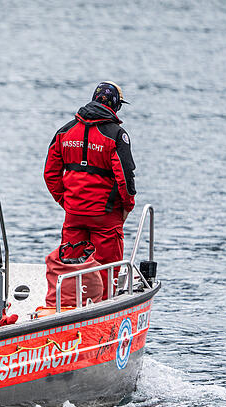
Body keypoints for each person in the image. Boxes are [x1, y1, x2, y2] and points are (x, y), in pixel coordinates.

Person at [44, 81, 136, 298]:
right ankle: (101, 311)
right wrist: (127, 207)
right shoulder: (117, 135)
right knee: (105, 270)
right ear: (115, 106)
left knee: (70, 265)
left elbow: (50, 174)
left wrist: (66, 201)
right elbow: (125, 177)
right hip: (106, 215)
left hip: (74, 213)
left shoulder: (64, 131)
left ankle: (68, 308)